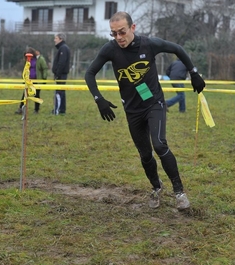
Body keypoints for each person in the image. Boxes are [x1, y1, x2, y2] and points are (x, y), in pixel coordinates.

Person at [84, 11, 205, 210]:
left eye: (122, 32)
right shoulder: (110, 49)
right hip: (132, 110)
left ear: (133, 27)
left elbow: (178, 49)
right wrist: (99, 100)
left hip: (153, 103)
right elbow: (89, 73)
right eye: (114, 34)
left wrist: (194, 73)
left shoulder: (149, 44)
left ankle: (179, 192)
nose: (118, 38)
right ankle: (156, 188)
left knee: (159, 144)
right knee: (145, 154)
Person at [15, 47, 48, 114]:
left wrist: (44, 78)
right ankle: (21, 109)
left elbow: (44, 68)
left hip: (37, 80)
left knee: (37, 95)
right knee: (24, 95)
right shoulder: (27, 60)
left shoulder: (39, 59)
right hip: (28, 80)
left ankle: (36, 110)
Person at [51, 32, 70, 115]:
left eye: (56, 38)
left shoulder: (63, 48)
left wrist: (57, 74)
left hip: (61, 75)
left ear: (61, 39)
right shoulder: (62, 48)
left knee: (59, 92)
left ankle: (57, 110)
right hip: (61, 74)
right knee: (61, 91)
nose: (54, 40)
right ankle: (61, 109)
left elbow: (61, 63)